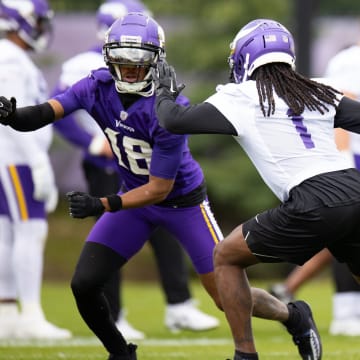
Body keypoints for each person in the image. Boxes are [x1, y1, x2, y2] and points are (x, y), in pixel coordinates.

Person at [0, 14, 323, 360]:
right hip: (134, 200)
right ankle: (120, 353)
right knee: (84, 284)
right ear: (109, 57)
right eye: (122, 61)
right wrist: (14, 116)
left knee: (223, 295)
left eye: (138, 63)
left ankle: (293, 315)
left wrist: (102, 204)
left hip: (182, 203)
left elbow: (159, 189)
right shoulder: (95, 86)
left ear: (155, 62)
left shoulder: (168, 110)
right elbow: (50, 110)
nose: (129, 70)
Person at [153, 17, 360, 360]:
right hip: (353, 188)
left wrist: (163, 92)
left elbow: (174, 121)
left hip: (312, 198)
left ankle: (244, 354)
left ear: (244, 58)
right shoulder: (317, 90)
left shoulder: (241, 96)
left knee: (226, 257)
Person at [52, 0, 220, 340]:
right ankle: (118, 315)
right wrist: (89, 143)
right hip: (113, 168)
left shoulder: (159, 95)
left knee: (166, 237)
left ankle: (179, 304)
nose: (131, 63)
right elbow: (56, 109)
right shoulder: (88, 70)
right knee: (102, 256)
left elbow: (160, 181)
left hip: (153, 182)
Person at [270, 41, 360, 337]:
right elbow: (341, 111)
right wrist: (345, 162)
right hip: (353, 159)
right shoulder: (351, 60)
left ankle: (287, 287)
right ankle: (346, 311)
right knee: (348, 229)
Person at [0, 0, 71, 339]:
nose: (41, 29)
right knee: (30, 231)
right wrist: (39, 162)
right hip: (17, 157)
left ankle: (7, 312)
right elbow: (13, 116)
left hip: (11, 157)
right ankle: (29, 313)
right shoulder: (10, 59)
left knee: (7, 234)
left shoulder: (11, 57)